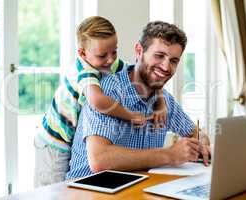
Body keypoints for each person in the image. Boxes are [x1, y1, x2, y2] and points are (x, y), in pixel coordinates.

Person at [66, 21, 211, 180]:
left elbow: (195, 132)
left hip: (134, 189)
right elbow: (100, 160)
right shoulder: (108, 91)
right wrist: (169, 155)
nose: (166, 67)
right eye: (159, 56)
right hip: (88, 190)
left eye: (174, 61)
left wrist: (201, 143)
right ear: (139, 51)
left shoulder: (164, 101)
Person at [34, 16, 166, 187]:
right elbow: (98, 101)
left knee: (69, 186)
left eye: (114, 52)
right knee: (53, 189)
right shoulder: (84, 70)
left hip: (72, 137)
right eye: (103, 55)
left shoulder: (108, 63)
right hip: (54, 142)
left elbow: (140, 75)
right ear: (82, 53)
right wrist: (129, 115)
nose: (110, 60)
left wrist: (160, 102)